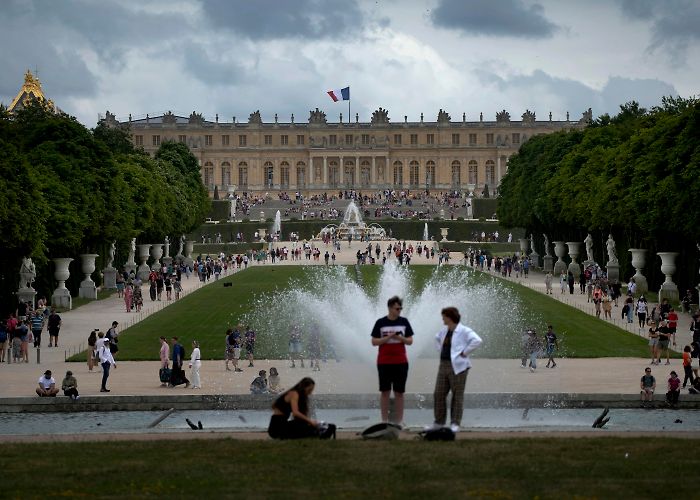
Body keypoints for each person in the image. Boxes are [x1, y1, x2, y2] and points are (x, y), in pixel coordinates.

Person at [427, 307, 482, 433]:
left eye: (444, 316)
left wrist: (465, 352)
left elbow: (477, 340)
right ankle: (439, 422)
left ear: (450, 317)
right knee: (439, 394)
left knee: (457, 396)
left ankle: (455, 423)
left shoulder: (464, 330)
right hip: (443, 365)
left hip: (459, 367)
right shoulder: (444, 330)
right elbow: (436, 338)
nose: (442, 319)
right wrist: (440, 351)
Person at [371, 296, 414, 425]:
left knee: (399, 393)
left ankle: (399, 421)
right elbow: (374, 341)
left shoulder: (404, 322)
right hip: (384, 362)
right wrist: (387, 338)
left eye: (400, 308)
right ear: (390, 308)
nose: (399, 310)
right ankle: (384, 421)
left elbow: (410, 341)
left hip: (401, 362)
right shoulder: (380, 322)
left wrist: (400, 338)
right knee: (385, 392)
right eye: (397, 308)